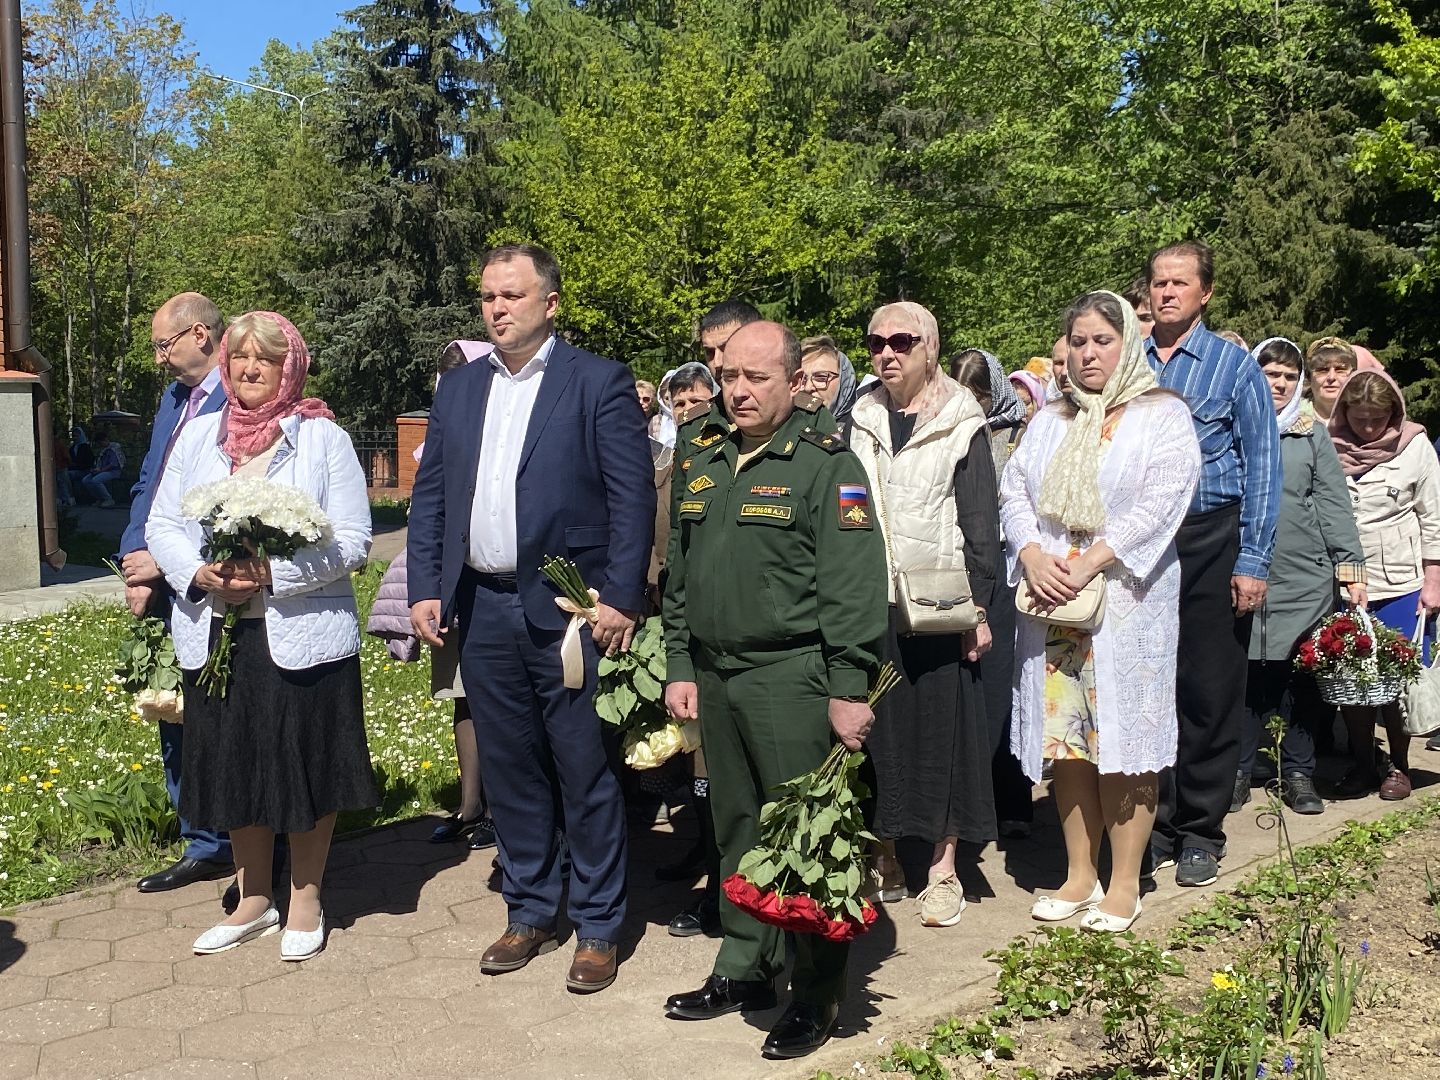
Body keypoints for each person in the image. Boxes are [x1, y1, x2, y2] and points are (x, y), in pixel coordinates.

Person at [408, 244, 654, 994]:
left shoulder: (597, 381)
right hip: (481, 608)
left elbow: (632, 498)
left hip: (568, 609)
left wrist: (618, 598)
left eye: (511, 295)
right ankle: (531, 911)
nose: (496, 308)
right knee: (511, 770)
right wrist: (426, 585)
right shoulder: (459, 388)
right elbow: (433, 497)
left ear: (551, 303)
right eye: (487, 297)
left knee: (583, 769)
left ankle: (601, 924)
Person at [661, 320, 887, 1059]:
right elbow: (681, 580)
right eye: (731, 377)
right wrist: (682, 666)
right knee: (735, 827)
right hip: (717, 677)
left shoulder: (828, 465)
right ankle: (744, 967)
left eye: (758, 378)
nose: (740, 391)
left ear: (796, 383)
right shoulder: (704, 456)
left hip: (793, 677)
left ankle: (816, 991)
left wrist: (849, 687)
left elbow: (854, 588)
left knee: (804, 835)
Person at [146, 311, 378, 961]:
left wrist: (273, 571)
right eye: (240, 357)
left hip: (301, 634)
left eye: (265, 360)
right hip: (217, 632)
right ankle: (254, 899)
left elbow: (355, 540)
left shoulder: (322, 438)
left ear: (289, 368)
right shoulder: (198, 435)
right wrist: (199, 570)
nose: (250, 369)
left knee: (304, 765)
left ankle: (305, 897)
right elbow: (164, 523)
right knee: (234, 765)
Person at [1003, 290, 1199, 932]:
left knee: (1125, 742)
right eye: (1079, 341)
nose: (1089, 353)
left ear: (1129, 345)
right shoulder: (1051, 420)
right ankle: (1079, 873)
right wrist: (1032, 554)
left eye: (1103, 340)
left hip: (1126, 604)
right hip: (1051, 603)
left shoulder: (1161, 415)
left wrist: (1092, 561)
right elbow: (1015, 492)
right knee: (1068, 744)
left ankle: (1123, 883)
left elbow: (1165, 500)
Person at [847, 304, 999, 928]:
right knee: (879, 730)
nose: (888, 353)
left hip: (940, 602)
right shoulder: (858, 416)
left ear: (931, 348)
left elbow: (981, 525)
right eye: (877, 342)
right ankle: (886, 854)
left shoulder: (964, 421)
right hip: (870, 598)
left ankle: (942, 867)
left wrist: (978, 607)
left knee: (943, 733)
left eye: (902, 341)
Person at [1145, 239, 1281, 888]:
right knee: (1148, 686)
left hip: (1210, 540)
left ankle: (1200, 830)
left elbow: (1263, 467)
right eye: (1158, 283)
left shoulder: (1233, 367)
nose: (1166, 292)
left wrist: (1252, 560)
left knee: (1206, 688)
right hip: (1141, 547)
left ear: (1205, 293)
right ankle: (1155, 824)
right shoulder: (1127, 363)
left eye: (1179, 283)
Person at [120, 293, 233, 894]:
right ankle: (202, 841)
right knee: (174, 704)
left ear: (200, 335)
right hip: (160, 572)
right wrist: (134, 560)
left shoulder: (243, 392)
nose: (159, 359)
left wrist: (164, 562)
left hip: (216, 580)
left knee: (226, 707)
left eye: (165, 345)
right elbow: (150, 479)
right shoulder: (171, 400)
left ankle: (250, 841)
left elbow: (232, 499)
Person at [1234, 339, 1366, 817]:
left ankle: (1298, 772)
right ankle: (1239, 771)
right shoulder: (1235, 426)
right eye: (1271, 373)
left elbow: (1333, 504)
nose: (1279, 383)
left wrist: (1350, 572)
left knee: (1300, 679)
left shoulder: (1311, 433)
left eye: (1289, 376)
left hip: (1306, 580)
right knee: (1246, 677)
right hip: (1245, 575)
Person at [1329, 371, 1440, 800]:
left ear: (1393, 413)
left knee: (1396, 681)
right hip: (1344, 581)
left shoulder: (1415, 447)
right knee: (1351, 679)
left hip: (1401, 579)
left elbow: (1433, 516)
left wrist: (1434, 581)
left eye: (1378, 418)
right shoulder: (1328, 443)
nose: (1369, 428)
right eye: (1360, 419)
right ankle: (1363, 762)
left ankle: (1399, 764)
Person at [414, 340, 496, 848]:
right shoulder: (440, 436)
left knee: (500, 701)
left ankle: (503, 811)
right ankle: (470, 806)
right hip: (451, 585)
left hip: (497, 585)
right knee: (462, 699)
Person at [798, 335, 861, 423]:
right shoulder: (787, 425)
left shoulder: (865, 426)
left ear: (844, 382)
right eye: (802, 379)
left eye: (821, 377)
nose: (807, 388)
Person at [1305, 337, 1357, 424]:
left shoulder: (1367, 418)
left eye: (1340, 370)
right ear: (1309, 377)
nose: (1331, 377)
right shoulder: (1291, 420)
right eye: (1322, 370)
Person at [81, 431, 125, 506]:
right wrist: (95, 470)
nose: (100, 445)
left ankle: (108, 499)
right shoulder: (103, 449)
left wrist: (101, 471)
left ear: (106, 440)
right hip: (101, 470)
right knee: (85, 480)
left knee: (96, 480)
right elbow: (99, 462)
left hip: (113, 471)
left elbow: (113, 464)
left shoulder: (114, 448)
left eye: (101, 442)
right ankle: (99, 498)